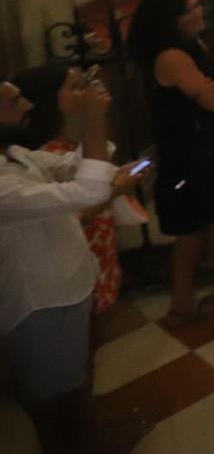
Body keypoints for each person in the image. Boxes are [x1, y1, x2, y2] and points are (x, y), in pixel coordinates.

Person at [1, 67, 141, 454]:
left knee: (75, 386)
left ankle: (88, 439)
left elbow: (74, 168)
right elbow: (87, 191)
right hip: (39, 303)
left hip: (67, 283)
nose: (27, 105)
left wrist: (90, 123)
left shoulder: (15, 155)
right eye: (14, 101)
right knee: (49, 405)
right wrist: (92, 124)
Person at [127, 0, 214, 323]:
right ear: (172, 21)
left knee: (193, 232)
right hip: (197, 156)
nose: (200, 12)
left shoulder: (191, 46)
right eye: (190, 10)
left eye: (197, 6)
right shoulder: (171, 57)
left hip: (206, 149)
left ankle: (182, 304)